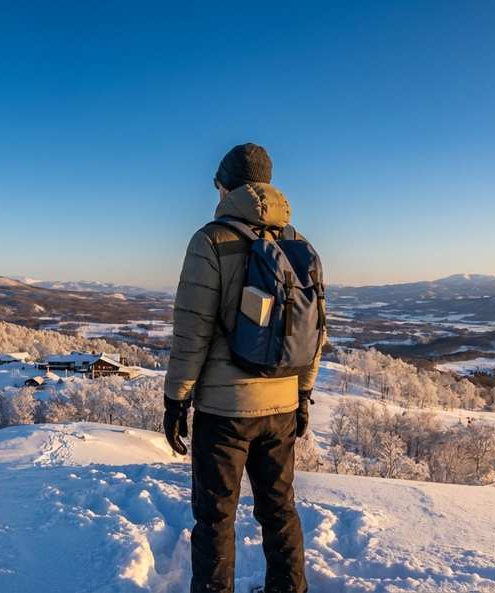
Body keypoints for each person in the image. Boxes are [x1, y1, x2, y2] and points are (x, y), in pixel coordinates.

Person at [162, 143, 322, 593]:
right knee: (280, 510)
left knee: (215, 519)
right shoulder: (299, 244)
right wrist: (303, 393)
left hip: (225, 410)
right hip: (282, 404)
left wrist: (176, 399)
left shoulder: (210, 240)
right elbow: (315, 332)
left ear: (225, 186)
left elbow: (191, 331)